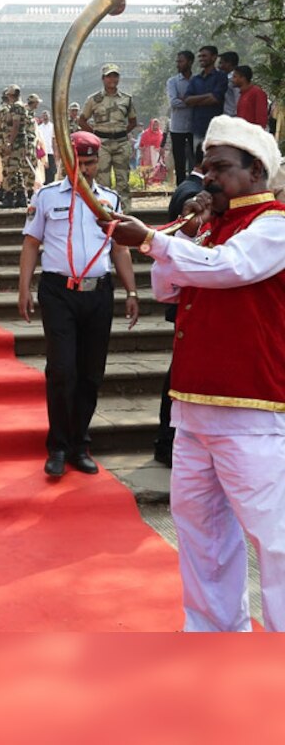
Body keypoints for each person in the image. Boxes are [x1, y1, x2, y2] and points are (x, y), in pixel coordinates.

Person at [108, 116, 285, 632]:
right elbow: (168, 287)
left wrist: (155, 241)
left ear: (256, 171)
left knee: (273, 540)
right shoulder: (211, 226)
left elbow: (229, 268)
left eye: (221, 168)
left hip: (251, 409)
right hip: (193, 408)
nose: (207, 177)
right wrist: (177, 235)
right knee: (201, 533)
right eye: (205, 167)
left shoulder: (273, 223)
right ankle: (212, 638)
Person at [18, 131, 140, 478]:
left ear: (98, 161)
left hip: (98, 293)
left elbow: (119, 249)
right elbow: (31, 245)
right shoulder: (46, 197)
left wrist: (131, 292)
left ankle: (79, 444)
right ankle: (57, 445)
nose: (84, 170)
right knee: (62, 370)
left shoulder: (110, 201)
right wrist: (23, 289)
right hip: (59, 292)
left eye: (90, 162)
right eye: (78, 163)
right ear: (67, 161)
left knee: (90, 373)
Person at [151, 146, 206, 468]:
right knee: (177, 377)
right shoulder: (192, 192)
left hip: (189, 294)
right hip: (187, 295)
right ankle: (167, 443)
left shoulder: (191, 188)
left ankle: (169, 443)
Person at [78, 63, 137, 213]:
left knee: (123, 181)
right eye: (109, 76)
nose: (112, 79)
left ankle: (124, 214)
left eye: (115, 76)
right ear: (103, 79)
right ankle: (103, 212)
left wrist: (121, 132)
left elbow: (133, 121)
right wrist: (95, 135)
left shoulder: (127, 99)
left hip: (121, 143)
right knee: (102, 181)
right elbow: (82, 120)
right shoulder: (94, 100)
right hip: (102, 144)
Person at [183, 45, 228, 145]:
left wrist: (195, 101)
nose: (201, 59)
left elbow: (215, 99)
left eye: (204, 56)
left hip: (215, 129)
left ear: (214, 57)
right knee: (198, 159)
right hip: (197, 128)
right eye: (200, 56)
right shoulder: (195, 79)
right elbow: (187, 100)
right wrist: (207, 96)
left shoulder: (221, 76)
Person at [167, 50, 195, 185]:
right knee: (179, 161)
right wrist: (194, 100)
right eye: (177, 61)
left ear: (190, 62)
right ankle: (181, 189)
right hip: (177, 127)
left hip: (194, 126)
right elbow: (173, 102)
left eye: (181, 61)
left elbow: (180, 102)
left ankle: (194, 188)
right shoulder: (172, 81)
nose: (178, 64)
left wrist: (184, 100)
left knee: (195, 160)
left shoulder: (197, 81)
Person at [218, 51, 240, 117]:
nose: (219, 66)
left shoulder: (234, 79)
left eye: (221, 63)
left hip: (232, 116)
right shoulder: (226, 78)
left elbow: (238, 99)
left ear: (229, 63)